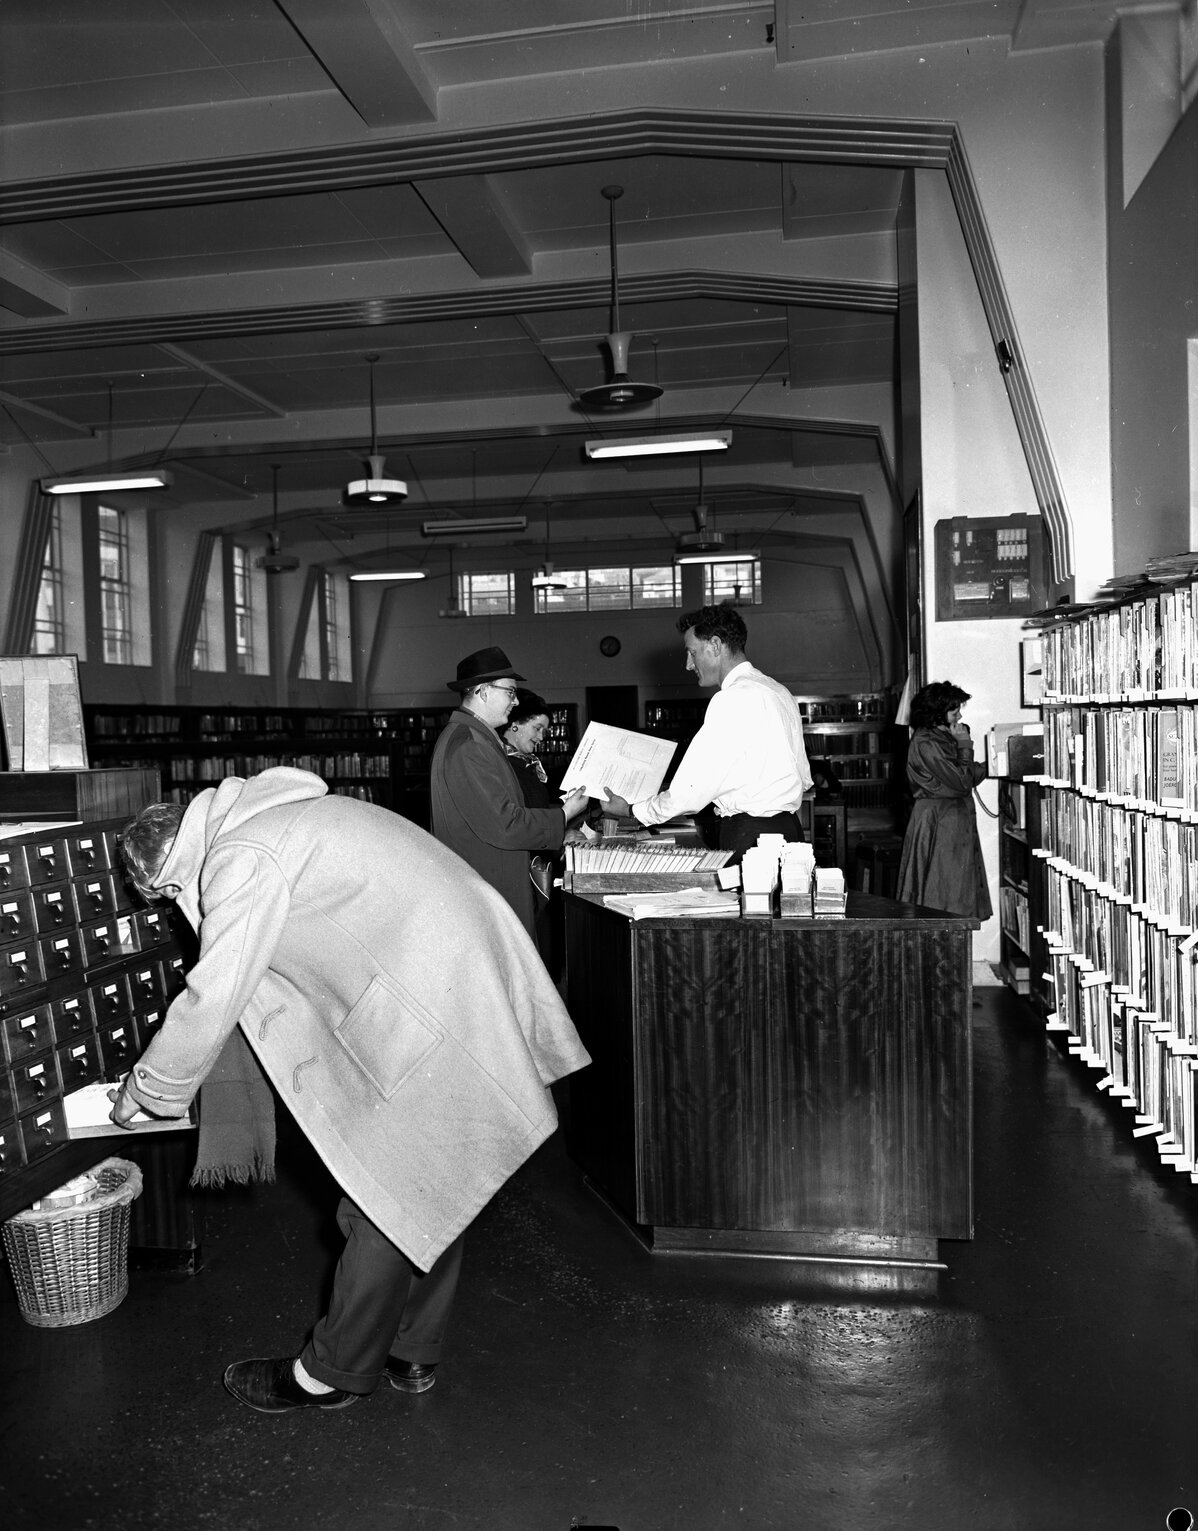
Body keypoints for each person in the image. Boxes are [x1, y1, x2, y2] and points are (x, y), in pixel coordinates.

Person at [108, 766, 590, 1415]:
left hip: (431, 997)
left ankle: (331, 1371)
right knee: (437, 1176)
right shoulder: (277, 815)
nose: (176, 903)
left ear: (173, 862)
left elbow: (216, 988)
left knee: (378, 1197)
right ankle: (412, 1346)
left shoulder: (241, 854)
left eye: (169, 891)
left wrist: (146, 1086)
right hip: (454, 974)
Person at [603, 605, 814, 856]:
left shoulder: (731, 699)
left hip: (752, 838)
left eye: (692, 653)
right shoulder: (779, 691)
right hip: (789, 831)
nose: (688, 664)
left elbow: (688, 794)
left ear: (715, 645)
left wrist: (630, 810)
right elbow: (804, 777)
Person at [429, 647, 589, 938]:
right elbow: (506, 825)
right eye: (510, 692)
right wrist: (565, 814)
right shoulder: (470, 745)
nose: (515, 701)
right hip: (490, 885)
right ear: (483, 691)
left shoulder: (474, 738)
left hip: (488, 880)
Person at [895, 680, 992, 919]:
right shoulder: (926, 742)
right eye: (954, 712)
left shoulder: (942, 737)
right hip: (939, 822)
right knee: (942, 892)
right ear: (937, 713)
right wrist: (965, 744)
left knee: (955, 890)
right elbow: (961, 780)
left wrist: (997, 764)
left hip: (953, 819)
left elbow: (966, 775)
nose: (960, 716)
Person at [500, 688, 563, 976]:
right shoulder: (508, 766)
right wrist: (564, 816)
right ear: (515, 724)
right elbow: (524, 818)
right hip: (525, 868)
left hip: (538, 863)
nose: (542, 737)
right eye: (537, 728)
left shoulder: (524, 763)